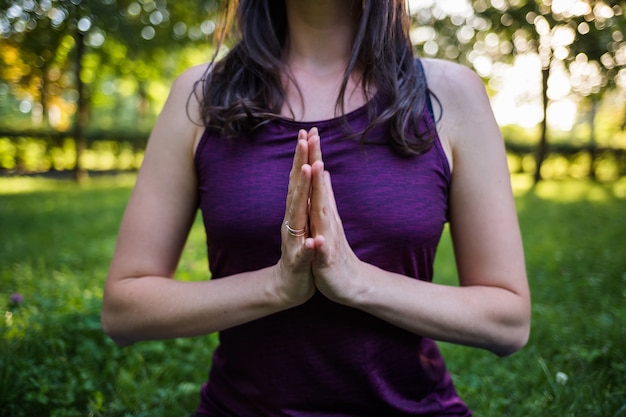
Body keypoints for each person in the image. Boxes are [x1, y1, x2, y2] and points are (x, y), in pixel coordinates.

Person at [101, 0, 531, 415]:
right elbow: (124, 310)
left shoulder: (451, 95)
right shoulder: (200, 96)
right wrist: (275, 287)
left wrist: (358, 281)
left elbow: (508, 322)